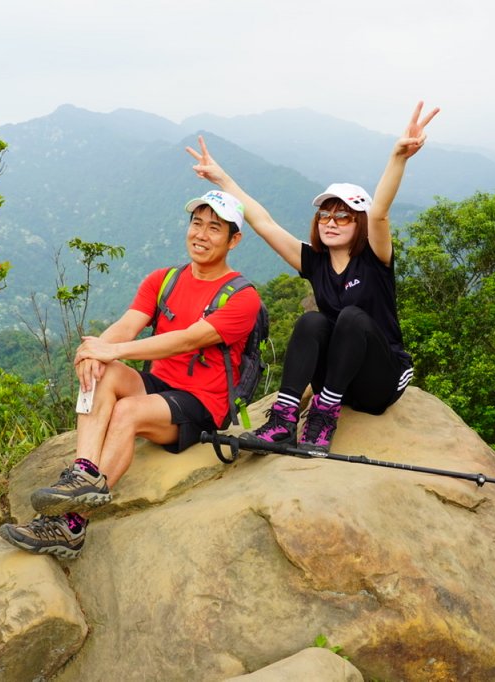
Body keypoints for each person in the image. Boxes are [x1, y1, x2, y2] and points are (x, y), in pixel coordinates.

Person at [0, 190, 261, 558]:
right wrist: (95, 352)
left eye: (214, 228)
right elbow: (127, 325)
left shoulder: (241, 297)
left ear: (234, 239)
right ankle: (86, 473)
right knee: (101, 374)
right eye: (196, 223)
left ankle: (72, 525)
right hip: (158, 386)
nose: (201, 234)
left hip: (201, 404)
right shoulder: (165, 279)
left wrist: (111, 350)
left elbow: (185, 341)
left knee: (127, 411)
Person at [187, 101, 438, 454]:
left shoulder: (375, 260)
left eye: (344, 216)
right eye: (325, 215)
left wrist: (398, 156)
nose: (331, 222)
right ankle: (284, 419)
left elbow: (379, 213)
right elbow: (264, 223)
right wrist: (222, 179)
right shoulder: (314, 261)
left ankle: (324, 416)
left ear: (359, 223)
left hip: (378, 381)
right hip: (336, 378)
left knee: (351, 318)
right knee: (312, 322)